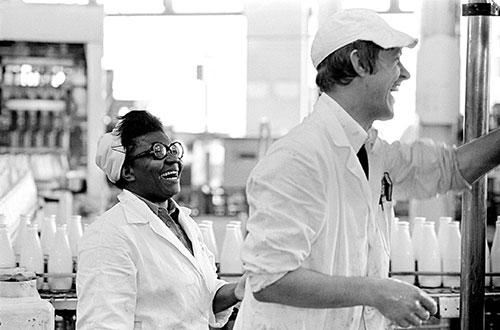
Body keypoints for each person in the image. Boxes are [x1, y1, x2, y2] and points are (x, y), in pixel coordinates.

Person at [233, 8, 500, 330]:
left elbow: (451, 169)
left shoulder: (373, 152)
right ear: (360, 63)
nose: (404, 75)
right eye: (395, 60)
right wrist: (377, 291)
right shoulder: (298, 158)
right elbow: (269, 280)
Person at [76, 110, 244, 329]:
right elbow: (101, 325)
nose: (173, 159)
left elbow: (203, 297)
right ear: (127, 172)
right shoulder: (108, 236)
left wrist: (241, 288)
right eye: (157, 152)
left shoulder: (183, 222)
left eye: (172, 149)